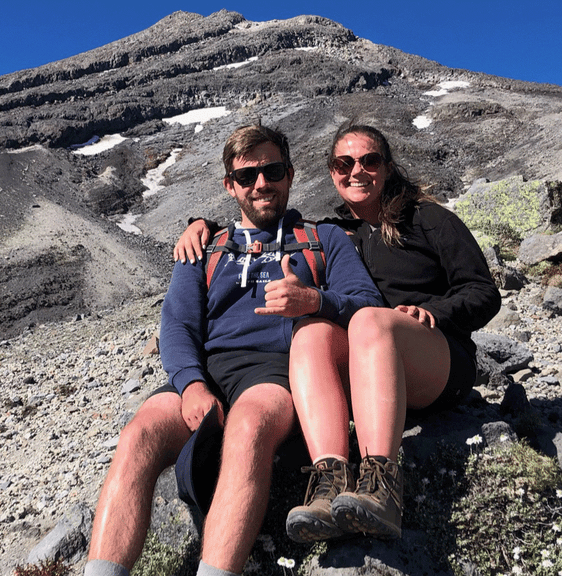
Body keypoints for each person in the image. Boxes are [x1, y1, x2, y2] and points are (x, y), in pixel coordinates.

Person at [174, 124, 501, 542]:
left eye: (370, 161)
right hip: (374, 364)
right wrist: (200, 224)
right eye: (344, 164)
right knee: (310, 331)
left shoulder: (427, 219)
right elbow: (260, 217)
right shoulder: (336, 232)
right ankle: (329, 482)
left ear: (387, 167)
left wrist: (432, 311)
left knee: (367, 318)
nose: (357, 171)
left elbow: (483, 292)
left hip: (434, 355)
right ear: (332, 173)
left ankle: (382, 485)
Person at [84, 125, 382, 576]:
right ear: (230, 185)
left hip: (279, 371)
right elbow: (178, 324)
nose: (261, 183)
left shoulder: (326, 239)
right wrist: (190, 385)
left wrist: (314, 301)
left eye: (272, 170)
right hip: (208, 371)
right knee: (138, 435)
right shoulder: (205, 248)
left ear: (290, 175)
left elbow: (368, 307)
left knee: (249, 427)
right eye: (247, 177)